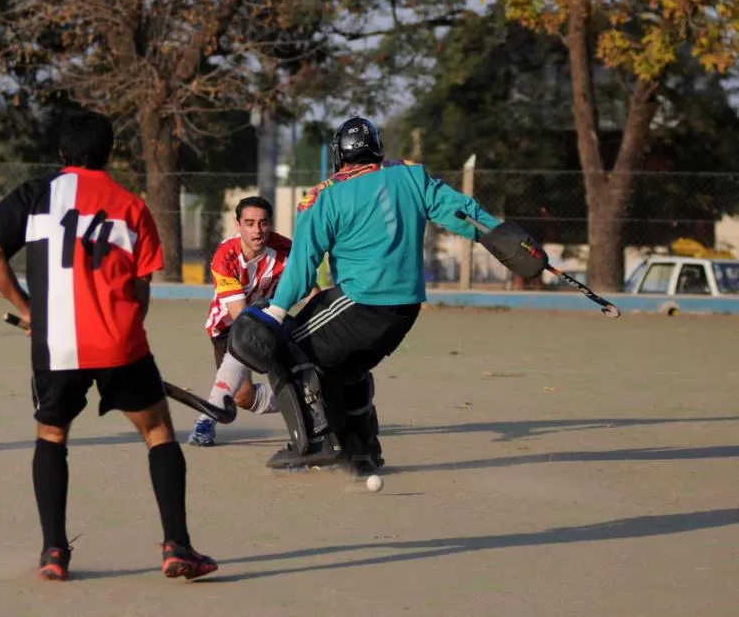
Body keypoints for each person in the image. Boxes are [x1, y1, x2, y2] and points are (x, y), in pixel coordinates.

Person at [227, 116, 546, 474]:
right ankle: (360, 453)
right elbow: (463, 213)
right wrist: (504, 236)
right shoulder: (411, 175)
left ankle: (314, 441)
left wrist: (274, 313)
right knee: (346, 362)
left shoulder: (323, 197)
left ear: (339, 155)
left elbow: (302, 268)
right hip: (406, 309)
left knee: (281, 345)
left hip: (362, 300)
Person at [0, 111, 217, 582]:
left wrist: (31, 312)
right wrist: (123, 334)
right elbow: (142, 290)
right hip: (120, 344)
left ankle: (53, 552)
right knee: (158, 434)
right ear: (110, 153)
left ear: (61, 154)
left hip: (56, 345)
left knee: (52, 435)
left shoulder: (34, 194)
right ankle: (177, 546)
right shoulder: (131, 204)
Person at [188, 196, 317, 446]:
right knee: (243, 398)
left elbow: (313, 292)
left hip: (269, 321)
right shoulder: (225, 257)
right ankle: (307, 396)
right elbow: (242, 320)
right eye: (249, 223)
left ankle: (206, 420)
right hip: (227, 328)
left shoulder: (286, 251)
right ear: (238, 225)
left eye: (263, 223)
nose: (257, 230)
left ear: (270, 224)